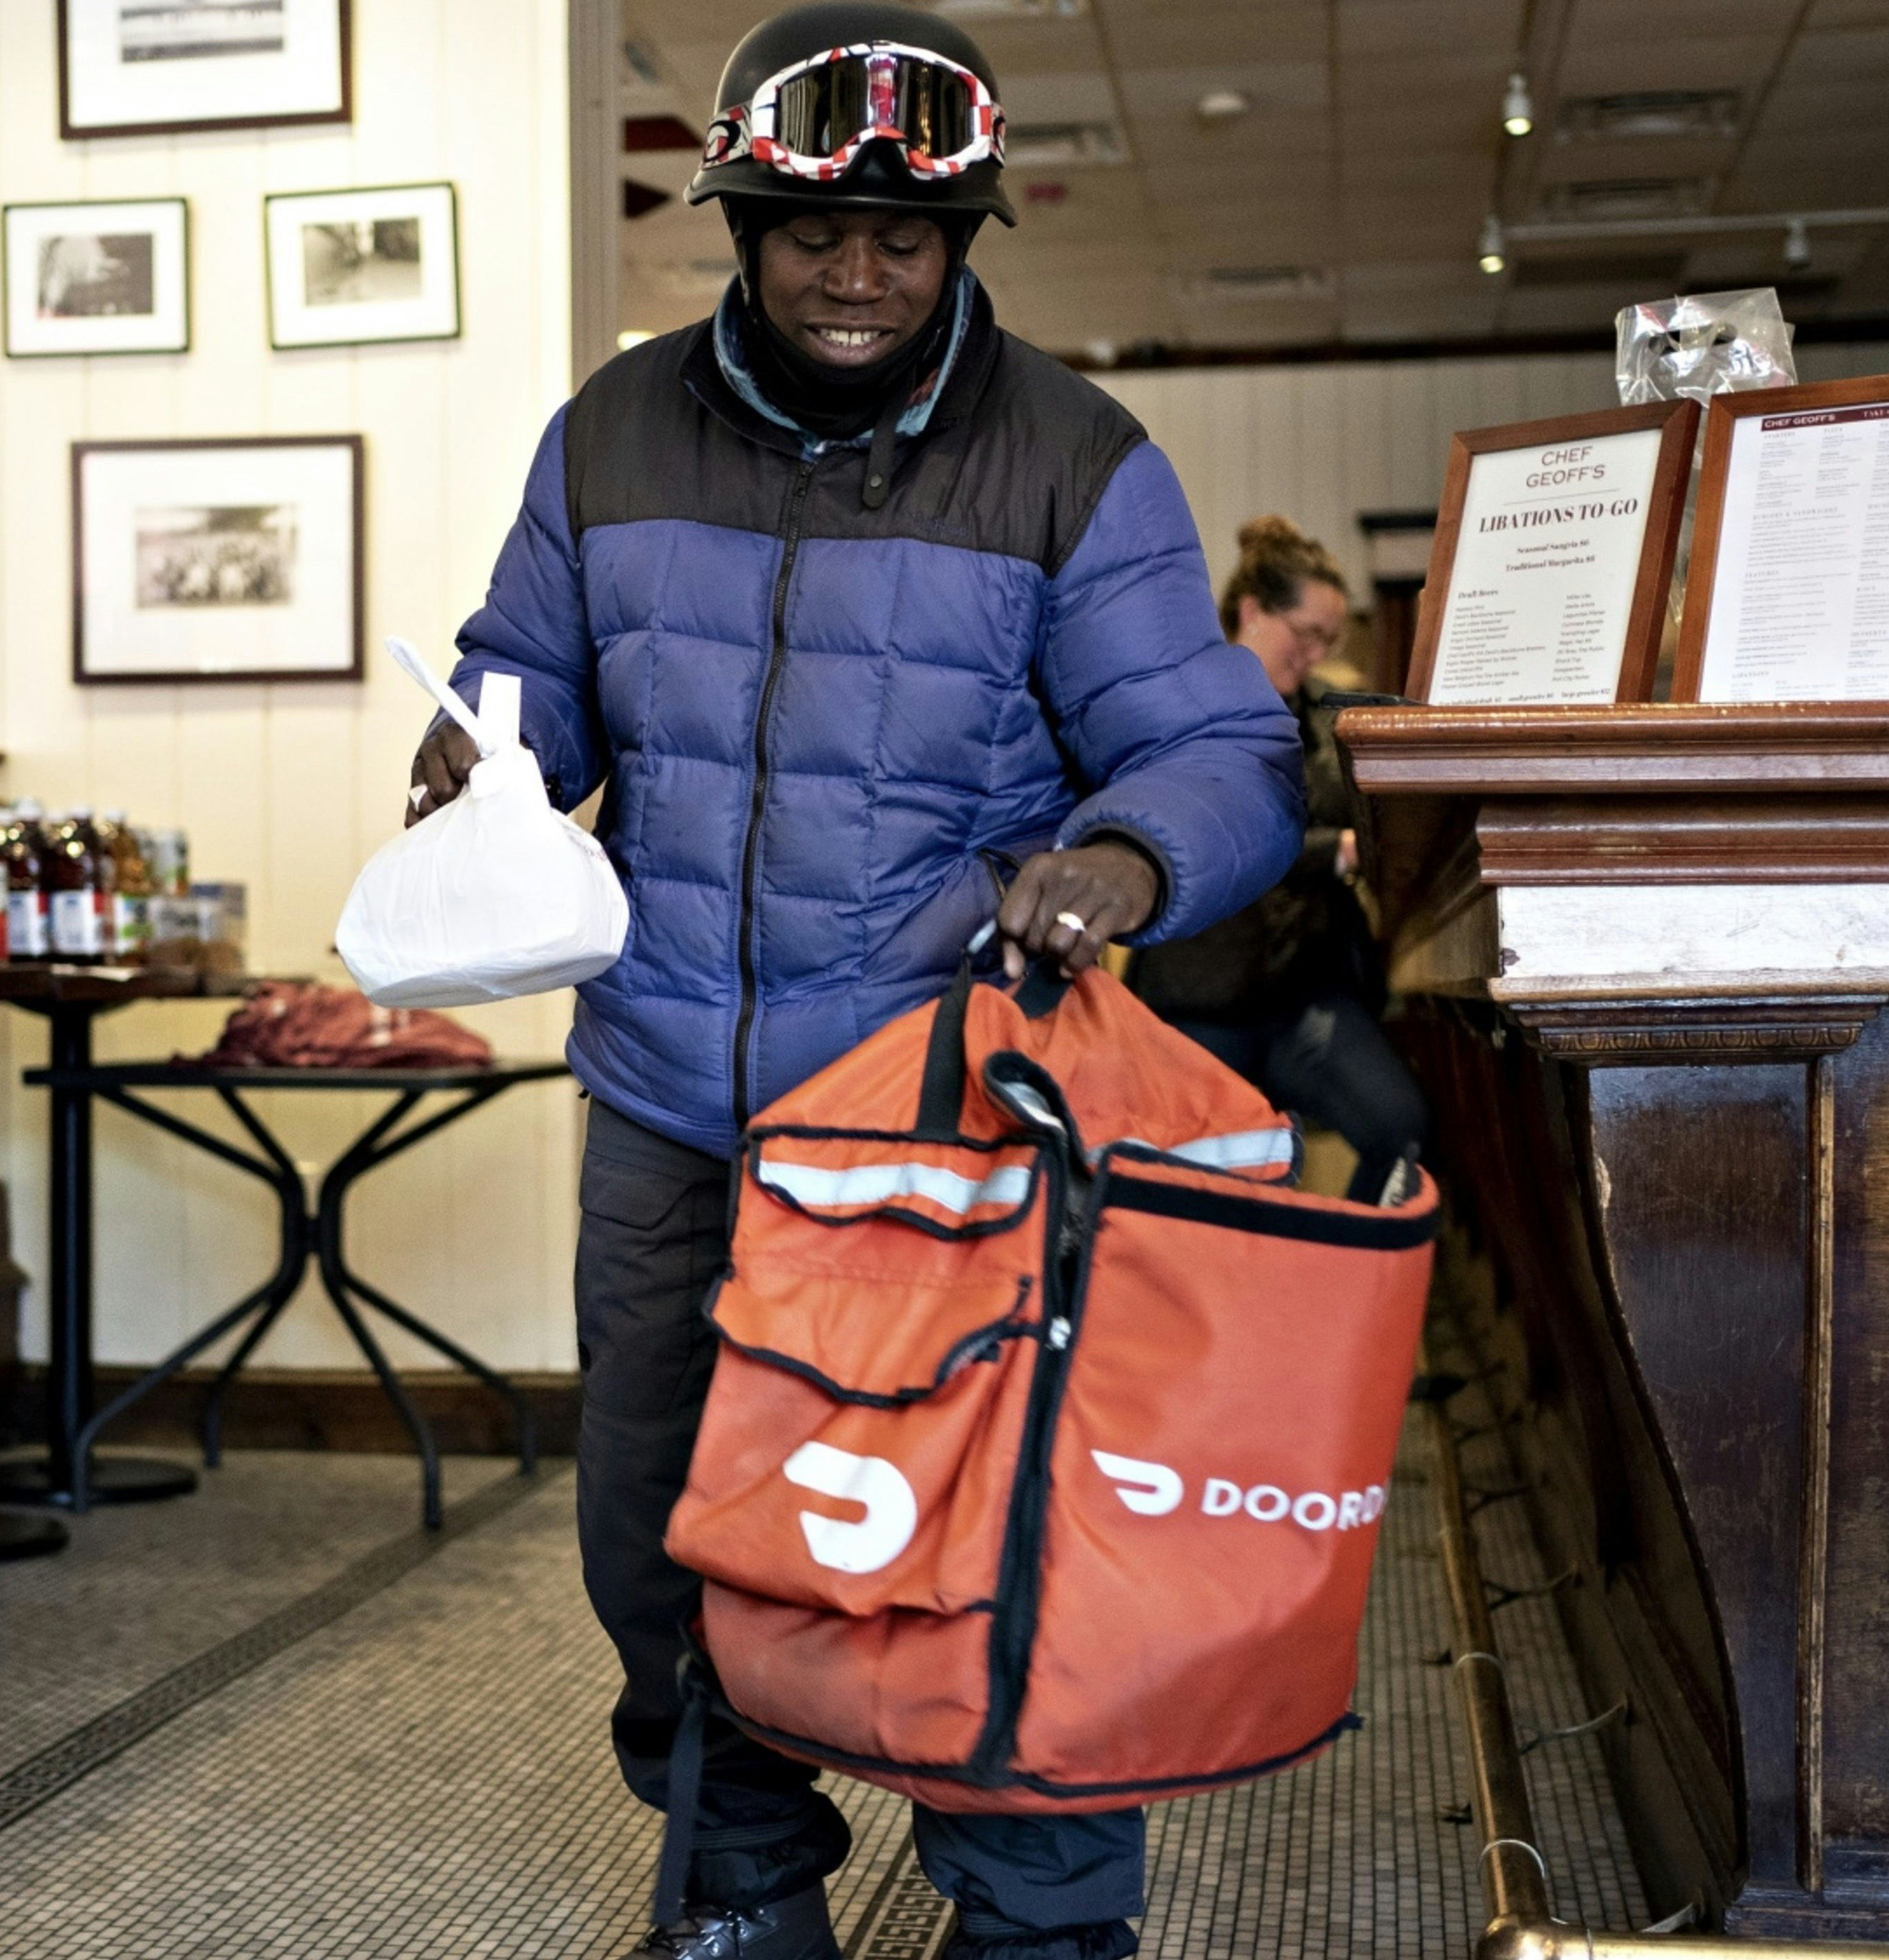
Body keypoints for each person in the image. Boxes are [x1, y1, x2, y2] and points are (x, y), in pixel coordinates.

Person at [401, 8, 1305, 1956]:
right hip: (668, 1098)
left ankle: (1037, 1917)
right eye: (815, 229)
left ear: (967, 234)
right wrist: (492, 753)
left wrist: (1125, 858)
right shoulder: (615, 429)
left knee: (991, 1526)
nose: (858, 272)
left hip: (938, 1105)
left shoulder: (1074, 458)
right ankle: (736, 1880)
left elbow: (1223, 753)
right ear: (738, 218)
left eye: (908, 233)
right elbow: (522, 673)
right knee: (663, 1528)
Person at [1122, 516, 1428, 1204]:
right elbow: (1207, 830)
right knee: (1200, 1181)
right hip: (1196, 994)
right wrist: (1332, 853)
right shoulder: (1179, 708)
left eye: (1330, 639)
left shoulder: (1324, 721)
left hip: (1302, 999)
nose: (1317, 653)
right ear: (1253, 611)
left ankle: (1337, 1281)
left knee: (1399, 1126)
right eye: (1306, 634)